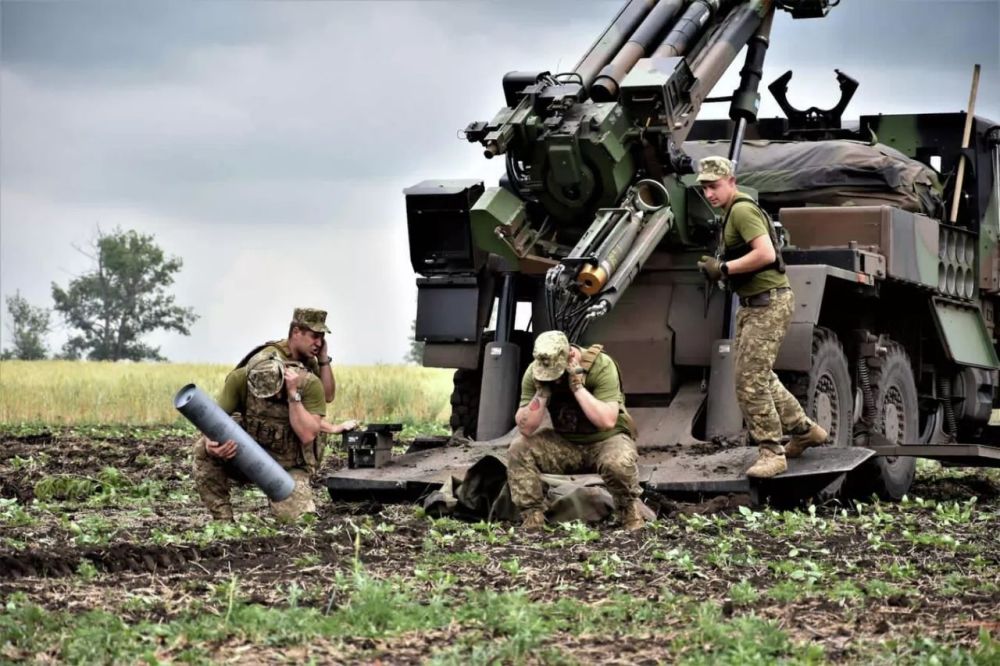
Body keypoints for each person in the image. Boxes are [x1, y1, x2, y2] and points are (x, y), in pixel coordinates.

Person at [695, 156, 828, 478]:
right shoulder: (731, 213)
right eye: (705, 188)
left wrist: (724, 268)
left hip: (768, 304)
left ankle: (772, 452)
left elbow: (766, 253)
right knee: (760, 375)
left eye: (714, 186)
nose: (710, 194)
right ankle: (804, 430)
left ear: (731, 182)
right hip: (754, 305)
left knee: (750, 382)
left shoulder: (741, 210)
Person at [192, 308, 356, 521]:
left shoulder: (309, 376)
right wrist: (210, 443)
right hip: (249, 455)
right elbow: (215, 419)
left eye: (321, 337)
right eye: (314, 336)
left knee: (299, 525)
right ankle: (223, 521)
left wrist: (294, 393)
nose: (318, 342)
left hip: (288, 466)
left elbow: (313, 424)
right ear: (296, 332)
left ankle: (283, 503)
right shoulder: (244, 375)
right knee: (202, 450)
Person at [506, 330, 646, 531]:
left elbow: (607, 421)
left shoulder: (601, 366)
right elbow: (526, 427)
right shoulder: (536, 371)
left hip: (606, 440)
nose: (554, 379)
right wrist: (542, 393)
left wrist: (578, 387)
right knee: (519, 448)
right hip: (566, 444)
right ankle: (533, 519)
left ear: (571, 355)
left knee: (617, 462)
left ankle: (629, 514)